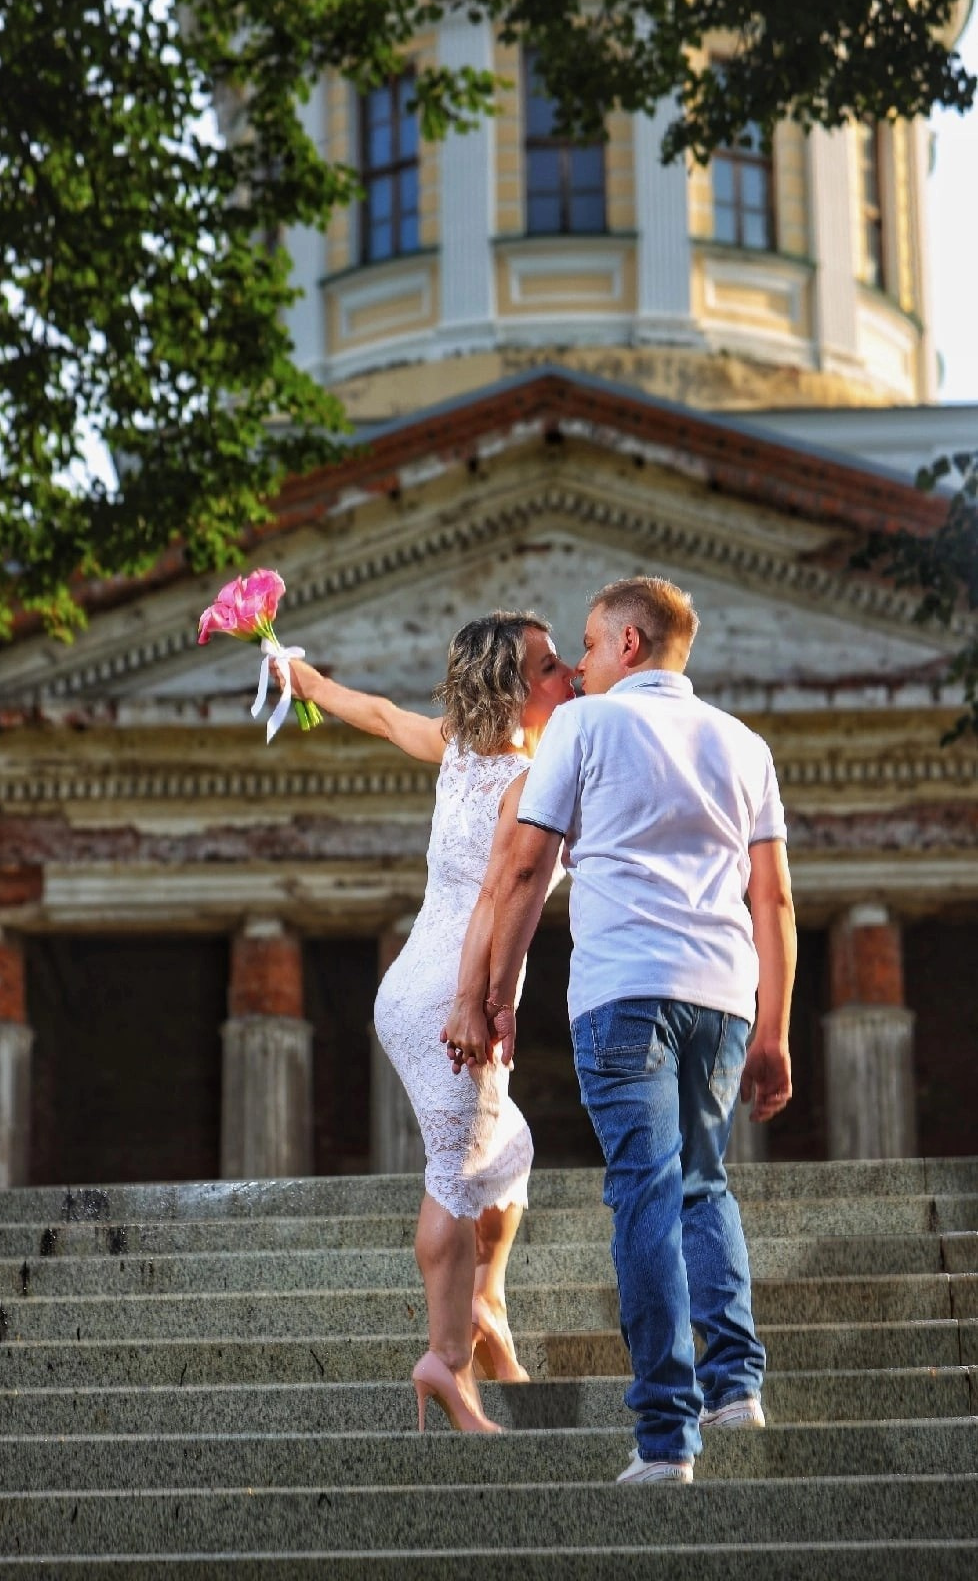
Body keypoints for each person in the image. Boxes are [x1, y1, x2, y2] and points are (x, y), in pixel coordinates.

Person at [444, 576, 796, 1481]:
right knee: (703, 1187)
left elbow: (524, 871)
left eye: (591, 648)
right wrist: (775, 1030)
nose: (581, 666)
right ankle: (736, 1387)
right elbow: (775, 898)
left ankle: (666, 1437)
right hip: (723, 998)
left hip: (623, 993)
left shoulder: (582, 728)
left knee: (644, 1190)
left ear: (628, 645)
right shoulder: (743, 743)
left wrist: (498, 996)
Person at [276, 612, 575, 1433]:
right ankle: (444, 1361)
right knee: (452, 1171)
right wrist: (470, 1004)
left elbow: (375, 712)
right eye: (549, 668)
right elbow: (492, 899)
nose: (569, 676)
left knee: (507, 1152)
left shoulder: (458, 747)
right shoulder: (522, 781)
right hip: (451, 991)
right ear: (514, 687)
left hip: (414, 982)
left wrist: (303, 680)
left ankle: (485, 1311)